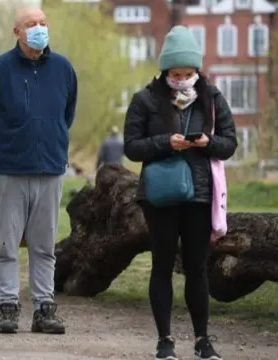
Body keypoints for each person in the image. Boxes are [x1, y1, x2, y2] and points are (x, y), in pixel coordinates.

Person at [123, 26, 237, 360]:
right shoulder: (145, 99)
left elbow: (229, 142)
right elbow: (132, 147)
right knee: (161, 265)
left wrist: (207, 143)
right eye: (176, 73)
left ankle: (203, 340)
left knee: (197, 268)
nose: (182, 79)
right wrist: (165, 143)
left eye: (188, 73)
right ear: (165, 70)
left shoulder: (212, 97)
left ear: (197, 71)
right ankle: (165, 340)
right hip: (159, 195)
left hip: (199, 195)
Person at [0, 6, 76, 334]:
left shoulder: (62, 68)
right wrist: (1, 148)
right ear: (17, 32)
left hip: (50, 169)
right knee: (6, 244)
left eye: (43, 23)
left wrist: (51, 140)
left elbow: (67, 113)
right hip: (9, 171)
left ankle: (45, 309)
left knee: (45, 245)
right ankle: (8, 307)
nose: (39, 29)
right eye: (31, 25)